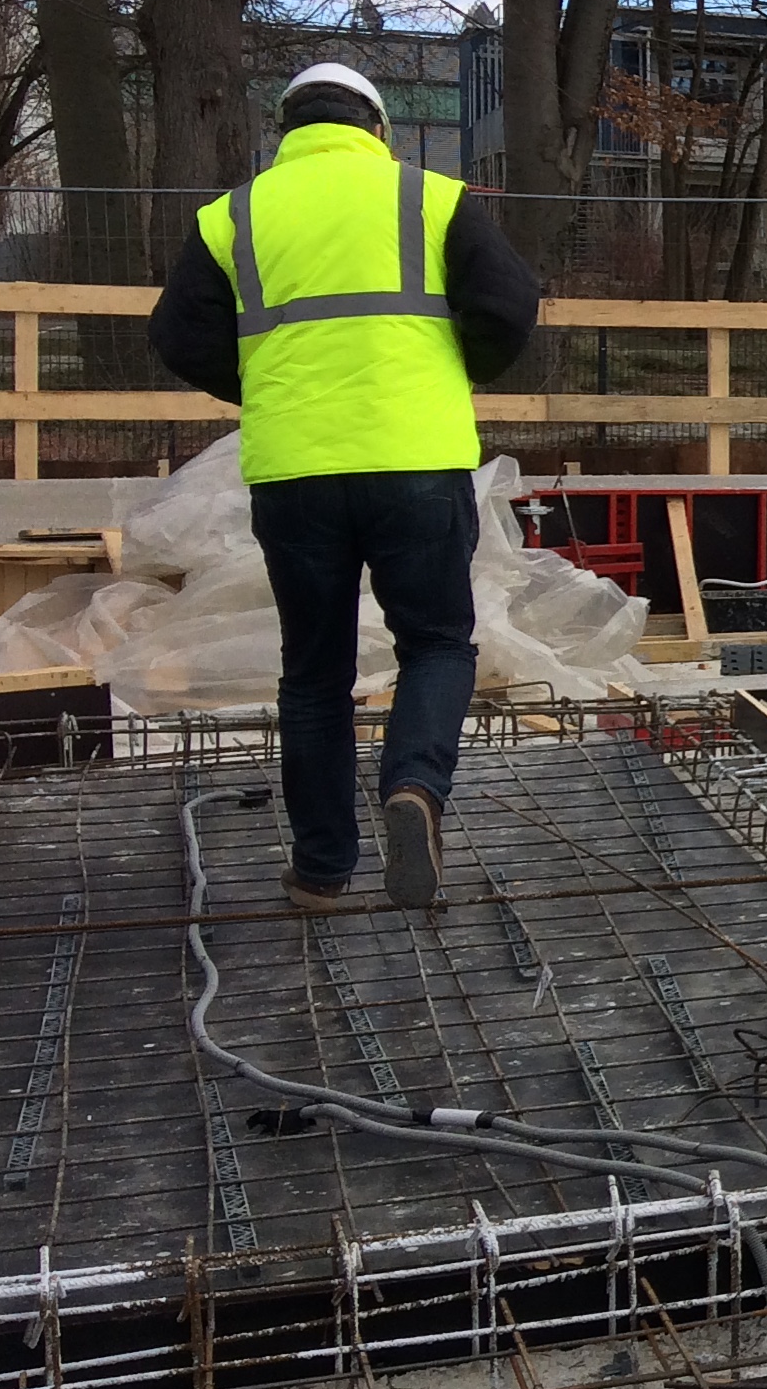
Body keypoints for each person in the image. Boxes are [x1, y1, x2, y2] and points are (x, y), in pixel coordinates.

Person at [150, 63, 542, 910]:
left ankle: (322, 870)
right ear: (378, 128)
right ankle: (415, 788)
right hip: (416, 458)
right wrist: (453, 371)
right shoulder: (431, 197)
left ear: (284, 130)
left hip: (295, 472)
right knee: (436, 645)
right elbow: (509, 306)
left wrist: (267, 388)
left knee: (313, 673)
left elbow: (180, 337)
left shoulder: (233, 216)